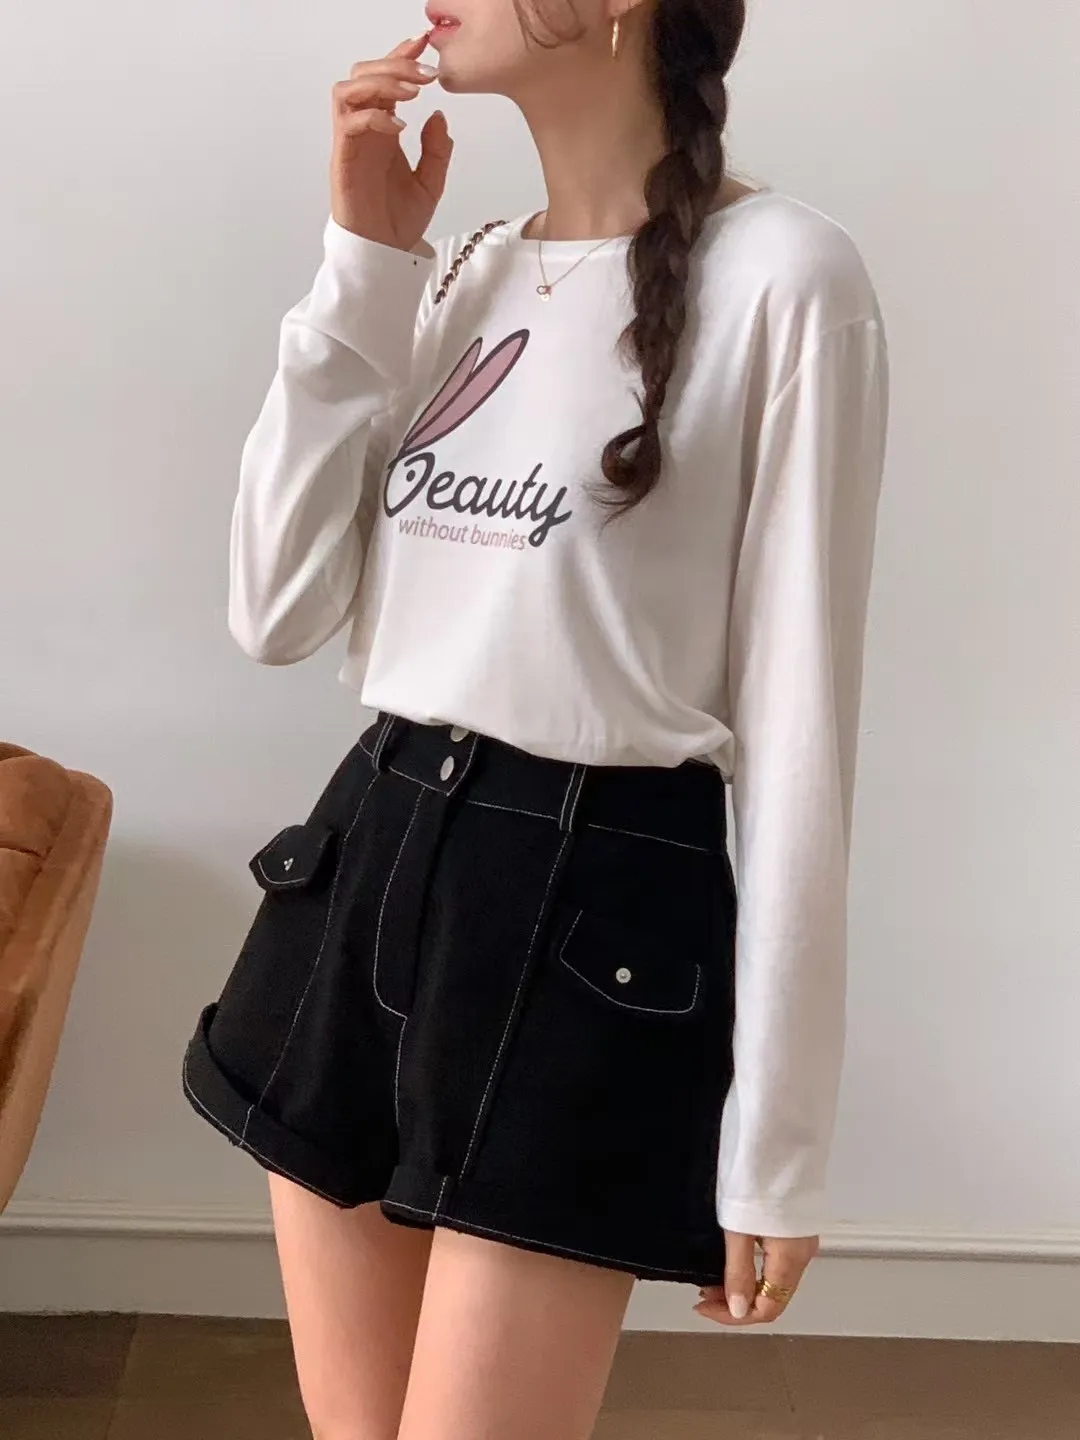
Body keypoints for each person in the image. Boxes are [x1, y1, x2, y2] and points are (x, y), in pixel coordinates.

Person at [181, 1, 888, 1435]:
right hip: (368, 861)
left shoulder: (789, 278)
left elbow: (802, 732)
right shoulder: (465, 269)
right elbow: (274, 608)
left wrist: (779, 1138)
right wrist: (364, 264)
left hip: (594, 912)